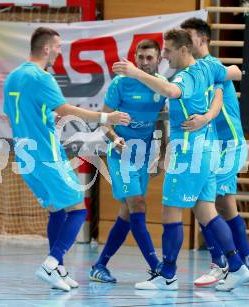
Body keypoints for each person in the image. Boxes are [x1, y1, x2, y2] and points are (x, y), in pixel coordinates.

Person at [112, 29, 249, 291]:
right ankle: (237, 266)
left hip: (188, 153)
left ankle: (168, 275)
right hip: (209, 150)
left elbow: (169, 89)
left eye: (168, 51)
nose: (164, 55)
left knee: (171, 213)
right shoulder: (208, 68)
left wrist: (135, 72)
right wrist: (208, 117)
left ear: (184, 50)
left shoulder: (186, 76)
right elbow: (226, 81)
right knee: (207, 211)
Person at [3, 27, 130, 291]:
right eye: (58, 47)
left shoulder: (13, 77)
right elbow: (65, 108)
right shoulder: (42, 77)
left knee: (57, 210)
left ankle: (58, 268)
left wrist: (47, 119)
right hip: (47, 155)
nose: (59, 53)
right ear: (46, 48)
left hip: (25, 157)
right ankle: (51, 262)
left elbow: (15, 114)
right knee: (78, 209)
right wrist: (107, 118)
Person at [180, 18, 249, 289]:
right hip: (213, 144)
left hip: (229, 144)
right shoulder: (196, 70)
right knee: (223, 204)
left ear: (202, 40)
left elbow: (238, 71)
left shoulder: (211, 66)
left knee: (208, 202)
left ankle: (222, 264)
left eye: (187, 37)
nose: (183, 42)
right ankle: (245, 261)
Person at [89, 39, 167, 283]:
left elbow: (162, 122)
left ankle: (99, 265)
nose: (144, 63)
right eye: (140, 58)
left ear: (158, 60)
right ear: (134, 57)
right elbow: (104, 122)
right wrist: (114, 139)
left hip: (143, 155)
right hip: (120, 153)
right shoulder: (120, 84)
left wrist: (163, 155)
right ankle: (157, 266)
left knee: (127, 212)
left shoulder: (162, 87)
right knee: (138, 205)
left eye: (149, 58)